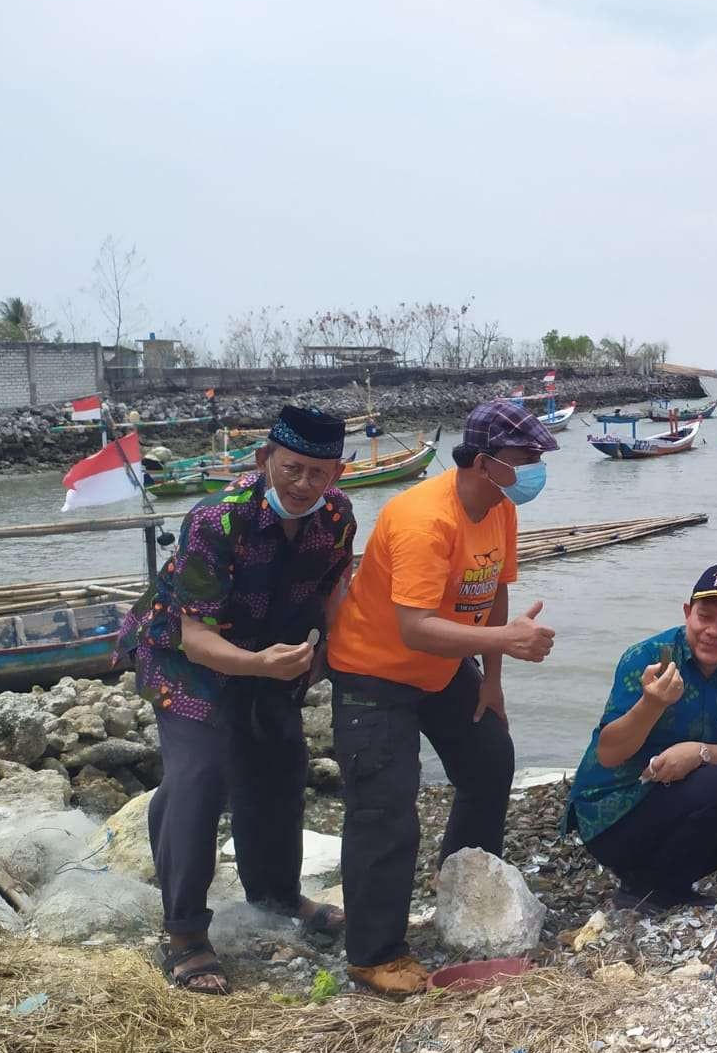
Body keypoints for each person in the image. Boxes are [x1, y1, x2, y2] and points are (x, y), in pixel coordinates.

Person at [115, 405, 356, 995]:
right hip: (184, 658)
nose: (303, 485)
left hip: (271, 654)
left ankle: (275, 895)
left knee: (280, 765)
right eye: (291, 468)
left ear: (337, 475)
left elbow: (335, 593)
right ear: (263, 459)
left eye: (318, 473)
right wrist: (258, 665)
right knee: (199, 776)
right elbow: (197, 638)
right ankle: (185, 935)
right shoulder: (215, 521)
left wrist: (335, 659)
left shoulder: (338, 518)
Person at [324, 399, 559, 995]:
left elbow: (497, 591)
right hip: (373, 673)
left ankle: (464, 881)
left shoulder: (500, 508)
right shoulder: (425, 520)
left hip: (444, 668)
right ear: (484, 461)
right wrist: (504, 639)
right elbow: (414, 626)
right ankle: (374, 954)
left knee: (489, 757)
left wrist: (494, 677)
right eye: (526, 456)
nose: (536, 466)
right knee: (385, 807)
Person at [563, 564, 717, 911]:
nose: (713, 631)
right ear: (688, 613)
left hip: (673, 800)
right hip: (611, 817)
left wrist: (697, 752)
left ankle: (656, 880)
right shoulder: (647, 657)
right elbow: (609, 753)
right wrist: (651, 703)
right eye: (705, 617)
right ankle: (656, 888)